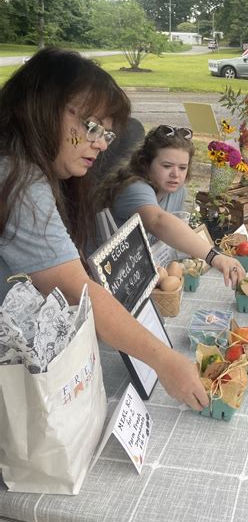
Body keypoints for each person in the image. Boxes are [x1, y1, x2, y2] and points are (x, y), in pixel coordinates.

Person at [0, 47, 213, 411]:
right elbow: (75, 288)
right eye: (91, 125)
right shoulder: (21, 182)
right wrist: (164, 360)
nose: (100, 143)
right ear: (42, 107)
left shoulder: (24, 171)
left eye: (107, 135)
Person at [94, 124, 246, 281]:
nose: (175, 174)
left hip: (140, 273)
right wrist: (215, 257)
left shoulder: (178, 191)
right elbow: (159, 222)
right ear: (145, 164)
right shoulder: (134, 188)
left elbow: (170, 237)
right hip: (107, 277)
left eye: (182, 167)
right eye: (167, 166)